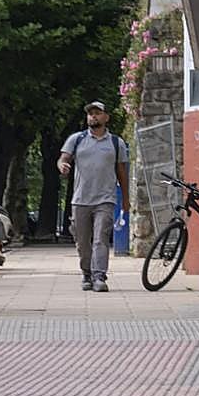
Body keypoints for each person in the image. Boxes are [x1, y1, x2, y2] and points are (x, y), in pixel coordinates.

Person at [58, 101, 130, 292]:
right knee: (82, 242)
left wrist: (126, 199)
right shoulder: (77, 139)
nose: (93, 117)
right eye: (91, 114)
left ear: (106, 117)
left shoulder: (116, 142)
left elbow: (122, 172)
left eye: (98, 113)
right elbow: (63, 158)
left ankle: (99, 276)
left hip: (105, 199)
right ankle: (86, 274)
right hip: (80, 199)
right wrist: (62, 166)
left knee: (101, 238)